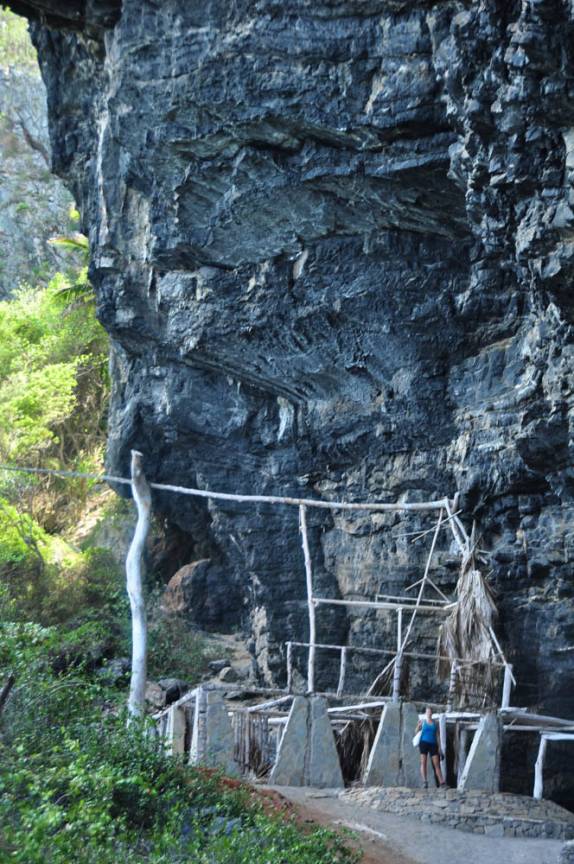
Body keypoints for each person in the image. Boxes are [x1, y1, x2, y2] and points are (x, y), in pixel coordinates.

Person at [416, 706, 446, 789]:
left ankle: (442, 782)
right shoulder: (423, 722)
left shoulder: (435, 723)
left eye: (430, 712)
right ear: (426, 713)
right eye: (427, 712)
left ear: (432, 713)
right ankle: (425, 782)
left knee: (436, 764)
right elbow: (416, 732)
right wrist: (418, 726)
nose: (429, 713)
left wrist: (439, 748)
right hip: (424, 743)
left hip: (433, 744)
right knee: (423, 763)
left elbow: (437, 736)